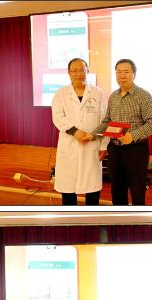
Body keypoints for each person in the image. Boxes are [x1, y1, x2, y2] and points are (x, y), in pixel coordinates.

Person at [90, 59, 152, 205]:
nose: (122, 75)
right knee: (117, 191)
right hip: (115, 150)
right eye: (119, 72)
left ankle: (137, 218)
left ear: (134, 74)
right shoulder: (113, 96)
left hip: (136, 150)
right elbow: (107, 121)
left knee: (137, 191)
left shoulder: (143, 95)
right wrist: (92, 134)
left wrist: (132, 136)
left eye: (126, 72)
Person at [52, 58, 107, 205]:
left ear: (87, 71)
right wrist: (74, 132)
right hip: (69, 145)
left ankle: (91, 215)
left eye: (82, 70)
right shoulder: (61, 94)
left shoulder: (97, 93)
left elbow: (105, 120)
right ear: (69, 73)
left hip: (92, 145)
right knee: (68, 187)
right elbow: (58, 117)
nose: (78, 73)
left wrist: (104, 145)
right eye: (74, 70)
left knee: (92, 187)